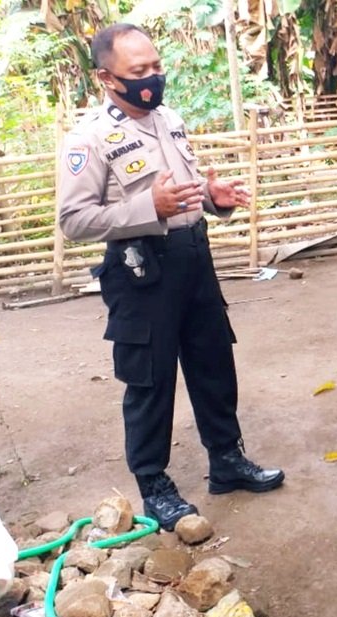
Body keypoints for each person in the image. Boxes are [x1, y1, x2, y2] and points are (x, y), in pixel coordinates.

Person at [57, 23, 284, 531]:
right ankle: (154, 486)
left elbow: (182, 191)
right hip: (140, 269)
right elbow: (74, 220)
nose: (154, 78)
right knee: (150, 379)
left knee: (213, 362)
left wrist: (211, 197)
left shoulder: (170, 119)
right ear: (106, 78)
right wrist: (148, 209)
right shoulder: (89, 138)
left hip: (193, 257)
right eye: (139, 71)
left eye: (157, 66)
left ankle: (226, 460)